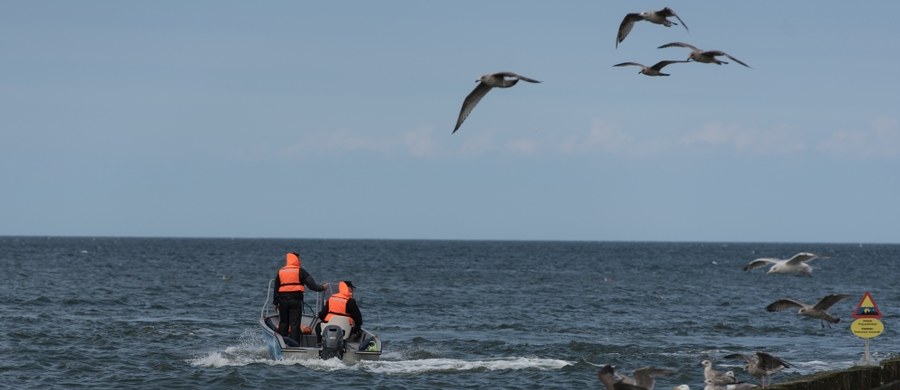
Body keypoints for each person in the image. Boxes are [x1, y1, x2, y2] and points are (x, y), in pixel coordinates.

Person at [273, 252, 328, 342]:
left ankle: (281, 344)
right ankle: (294, 345)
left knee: (283, 323)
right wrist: (322, 287)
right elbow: (312, 286)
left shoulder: (281, 271)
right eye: (299, 259)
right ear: (296, 259)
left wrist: (275, 303)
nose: (300, 261)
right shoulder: (300, 271)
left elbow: (276, 289)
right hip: (295, 301)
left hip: (282, 301)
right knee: (294, 324)